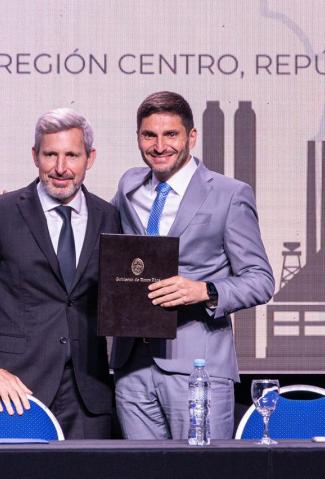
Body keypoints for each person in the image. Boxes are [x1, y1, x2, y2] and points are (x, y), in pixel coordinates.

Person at [110, 91, 274, 439]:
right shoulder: (128, 187)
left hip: (198, 370)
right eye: (148, 135)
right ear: (138, 137)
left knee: (204, 471)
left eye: (171, 134)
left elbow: (261, 280)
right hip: (131, 367)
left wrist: (205, 290)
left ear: (191, 137)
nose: (159, 145)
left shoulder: (230, 194)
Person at [0, 108, 120, 439]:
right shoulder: (0, 213)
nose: (61, 168)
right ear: (35, 156)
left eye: (72, 155)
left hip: (89, 394)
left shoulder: (109, 217)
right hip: (15, 388)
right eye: (50, 155)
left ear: (90, 158)